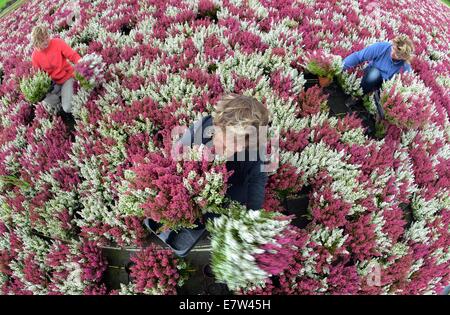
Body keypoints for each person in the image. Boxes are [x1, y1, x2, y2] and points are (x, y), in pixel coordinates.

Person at [177, 93, 270, 212]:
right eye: (236, 140)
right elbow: (176, 162)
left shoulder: (252, 148)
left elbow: (257, 179)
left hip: (230, 198)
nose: (241, 147)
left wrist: (253, 214)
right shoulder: (200, 131)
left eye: (246, 142)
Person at [343, 35, 414, 119]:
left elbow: (404, 87)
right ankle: (357, 96)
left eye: (398, 56)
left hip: (384, 86)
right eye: (393, 49)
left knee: (389, 94)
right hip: (371, 77)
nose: (393, 54)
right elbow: (358, 56)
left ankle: (373, 108)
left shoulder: (405, 67)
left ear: (404, 57)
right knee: (374, 74)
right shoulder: (382, 47)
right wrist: (342, 66)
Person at [31, 25, 80, 130]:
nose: (46, 41)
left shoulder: (57, 42)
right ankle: (62, 99)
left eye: (47, 37)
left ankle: (66, 103)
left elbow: (73, 55)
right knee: (44, 98)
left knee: (67, 108)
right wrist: (42, 89)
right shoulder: (35, 56)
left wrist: (82, 64)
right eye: (42, 40)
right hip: (54, 84)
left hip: (67, 78)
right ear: (36, 43)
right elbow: (38, 75)